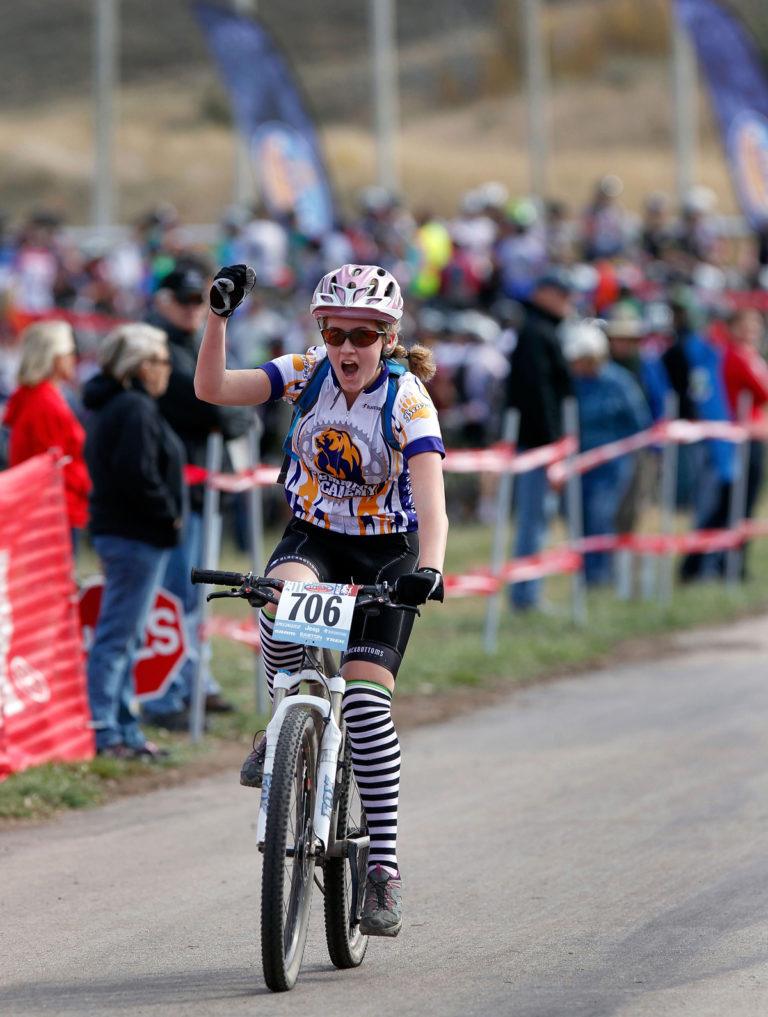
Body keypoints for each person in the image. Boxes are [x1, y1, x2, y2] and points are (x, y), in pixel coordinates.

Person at [194, 263, 448, 939]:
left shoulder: (409, 401)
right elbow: (213, 388)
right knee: (278, 603)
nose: (347, 348)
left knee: (365, 705)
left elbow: (433, 505)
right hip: (315, 538)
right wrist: (217, 318)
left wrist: (429, 569)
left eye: (363, 336)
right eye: (335, 333)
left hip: (387, 552)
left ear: (387, 339)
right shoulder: (306, 372)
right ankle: (283, 722)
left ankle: (383, 868)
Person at [142, 261, 253, 729]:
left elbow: (238, 407)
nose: (194, 309)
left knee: (195, 597)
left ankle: (195, 683)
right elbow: (211, 406)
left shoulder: (199, 341)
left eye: (199, 300)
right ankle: (166, 694)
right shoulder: (157, 348)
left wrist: (229, 404)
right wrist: (227, 404)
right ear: (163, 302)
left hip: (208, 488)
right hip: (179, 491)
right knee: (176, 596)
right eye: (186, 300)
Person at [82, 323, 186, 759]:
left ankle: (123, 727)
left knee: (127, 635)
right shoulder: (133, 408)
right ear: (143, 367)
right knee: (117, 636)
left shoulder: (122, 404)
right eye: (163, 362)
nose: (168, 370)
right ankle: (105, 731)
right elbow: (136, 474)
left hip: (127, 534)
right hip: (133, 535)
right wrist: (169, 515)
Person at [504, 269, 574, 610]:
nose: (568, 302)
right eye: (562, 294)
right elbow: (540, 393)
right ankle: (525, 596)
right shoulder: (536, 333)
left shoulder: (539, 331)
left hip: (540, 443)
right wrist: (552, 444)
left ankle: (528, 593)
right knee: (533, 521)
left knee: (539, 520)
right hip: (537, 444)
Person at [562, 319, 651, 585]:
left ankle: (600, 577)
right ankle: (585, 575)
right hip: (577, 465)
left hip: (612, 466)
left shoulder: (619, 382)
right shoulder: (571, 384)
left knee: (600, 515)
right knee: (577, 517)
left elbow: (639, 422)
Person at [2, 319, 90, 548]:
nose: (74, 359)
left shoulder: (35, 395)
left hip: (45, 508)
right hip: (52, 511)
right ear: (56, 357)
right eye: (71, 352)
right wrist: (86, 482)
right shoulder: (45, 402)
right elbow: (51, 465)